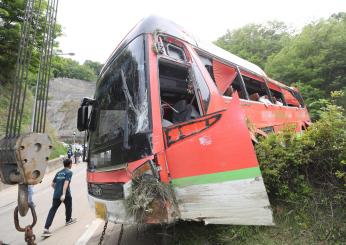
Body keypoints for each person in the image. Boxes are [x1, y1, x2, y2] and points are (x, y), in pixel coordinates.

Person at [42, 158, 77, 237]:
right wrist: (63, 194)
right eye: (71, 163)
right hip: (65, 195)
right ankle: (68, 220)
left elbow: (52, 184)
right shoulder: (69, 172)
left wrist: (58, 190)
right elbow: (66, 183)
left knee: (52, 210)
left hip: (56, 195)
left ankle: (46, 229)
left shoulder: (58, 172)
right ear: (70, 164)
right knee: (68, 206)